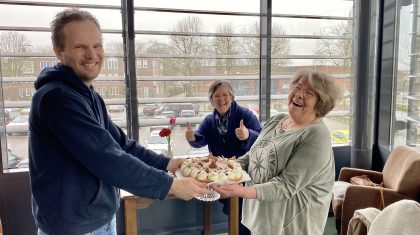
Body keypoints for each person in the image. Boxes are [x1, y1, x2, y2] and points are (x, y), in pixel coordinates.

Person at [28, 9, 211, 235]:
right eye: (80, 47)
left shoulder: (89, 96)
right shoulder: (57, 98)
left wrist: (166, 164)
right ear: (59, 52)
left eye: (97, 45)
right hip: (73, 228)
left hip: (101, 221)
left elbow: (121, 145)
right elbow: (106, 156)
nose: (92, 54)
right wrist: (169, 185)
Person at [212, 70, 341, 235]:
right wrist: (221, 170)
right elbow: (252, 157)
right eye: (297, 87)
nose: (298, 95)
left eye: (309, 93)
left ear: (321, 103)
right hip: (260, 218)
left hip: (290, 227)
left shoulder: (316, 135)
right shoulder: (277, 120)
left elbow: (286, 185)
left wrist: (241, 191)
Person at [185, 80, 262, 235]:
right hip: (221, 175)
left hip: (246, 174)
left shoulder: (245, 115)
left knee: (244, 212)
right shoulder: (209, 120)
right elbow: (200, 140)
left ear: (231, 97)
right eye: (217, 96)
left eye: (225, 95)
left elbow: (262, 140)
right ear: (211, 101)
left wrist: (248, 135)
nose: (221, 99)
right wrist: (192, 137)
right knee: (233, 212)